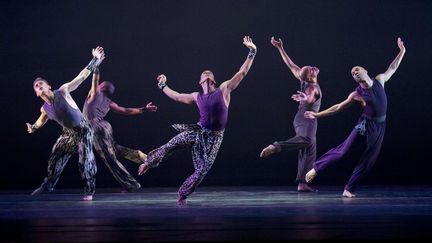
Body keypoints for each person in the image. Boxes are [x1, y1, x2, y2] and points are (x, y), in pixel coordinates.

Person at [138, 36, 257, 205]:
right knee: (171, 144)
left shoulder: (224, 89)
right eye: (204, 74)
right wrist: (163, 85)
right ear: (200, 81)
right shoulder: (197, 96)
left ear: (213, 80)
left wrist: (252, 51)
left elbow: (242, 72)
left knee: (202, 169)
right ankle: (148, 162)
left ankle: (182, 194)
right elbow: (177, 97)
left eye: (210, 74)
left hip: (214, 138)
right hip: (198, 131)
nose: (207, 74)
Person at [304, 38, 406, 197]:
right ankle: (316, 168)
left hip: (380, 126)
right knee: (343, 151)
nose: (354, 72)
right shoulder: (356, 94)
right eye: (352, 73)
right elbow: (337, 107)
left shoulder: (379, 80)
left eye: (356, 69)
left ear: (365, 70)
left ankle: (348, 189)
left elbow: (392, 67)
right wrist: (317, 114)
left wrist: (402, 51)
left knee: (369, 159)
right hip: (365, 126)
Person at [26, 47, 105, 201]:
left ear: (48, 86)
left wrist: (95, 60)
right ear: (36, 93)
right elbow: (42, 119)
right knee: (55, 158)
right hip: (68, 133)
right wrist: (33, 127)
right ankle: (47, 186)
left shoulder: (63, 91)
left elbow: (81, 77)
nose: (39, 86)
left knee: (85, 160)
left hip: (83, 129)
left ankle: (89, 190)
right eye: (36, 87)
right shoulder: (44, 108)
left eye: (41, 84)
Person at [260, 37, 322, 192]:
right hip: (307, 117)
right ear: (309, 76)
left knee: (309, 149)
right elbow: (310, 96)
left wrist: (281, 48)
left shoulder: (305, 80)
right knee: (307, 141)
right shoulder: (311, 87)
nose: (313, 67)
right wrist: (305, 98)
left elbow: (291, 65)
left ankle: (302, 183)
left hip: (301, 118)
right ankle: (277, 146)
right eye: (311, 69)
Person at [83, 66, 158, 192]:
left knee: (110, 159)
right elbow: (125, 111)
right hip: (105, 126)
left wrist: (96, 65)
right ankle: (138, 155)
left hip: (94, 127)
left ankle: (131, 184)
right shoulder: (109, 102)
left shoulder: (95, 93)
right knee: (113, 150)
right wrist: (144, 109)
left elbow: (94, 79)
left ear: (100, 87)